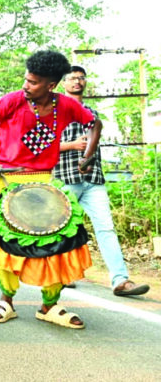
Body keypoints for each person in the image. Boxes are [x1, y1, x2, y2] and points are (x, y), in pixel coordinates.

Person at [0, 50, 100, 329]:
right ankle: (6, 300)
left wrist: (87, 156)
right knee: (4, 246)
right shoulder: (13, 101)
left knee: (59, 244)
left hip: (46, 182)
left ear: (50, 85)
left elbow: (94, 124)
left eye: (33, 82)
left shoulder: (65, 105)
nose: (25, 85)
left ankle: (49, 305)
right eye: (26, 79)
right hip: (8, 182)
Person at [55, 66, 150, 296]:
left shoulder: (93, 113)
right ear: (63, 83)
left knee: (106, 228)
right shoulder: (54, 112)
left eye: (81, 78)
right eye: (72, 78)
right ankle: (61, 275)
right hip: (66, 178)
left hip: (94, 179)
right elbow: (43, 148)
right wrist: (72, 145)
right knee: (62, 229)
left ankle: (120, 280)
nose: (77, 81)